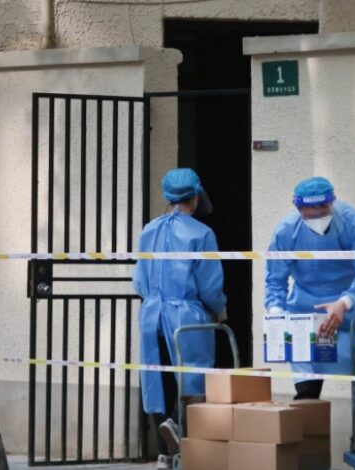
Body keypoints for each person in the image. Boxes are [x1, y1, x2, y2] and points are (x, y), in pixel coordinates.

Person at [133, 168, 226, 470]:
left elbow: (138, 281)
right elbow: (209, 284)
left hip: (152, 316)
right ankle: (177, 429)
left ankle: (164, 455)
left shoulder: (148, 231)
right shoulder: (202, 234)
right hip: (186, 315)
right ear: (195, 196)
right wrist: (219, 307)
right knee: (192, 378)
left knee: (158, 381)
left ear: (168, 196)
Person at [265, 176, 355, 400]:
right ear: (297, 208)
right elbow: (275, 279)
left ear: (332, 202)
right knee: (307, 386)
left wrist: (344, 303)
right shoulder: (286, 231)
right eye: (309, 214)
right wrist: (276, 313)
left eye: (322, 210)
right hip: (307, 312)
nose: (316, 217)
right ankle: (308, 416)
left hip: (353, 312)